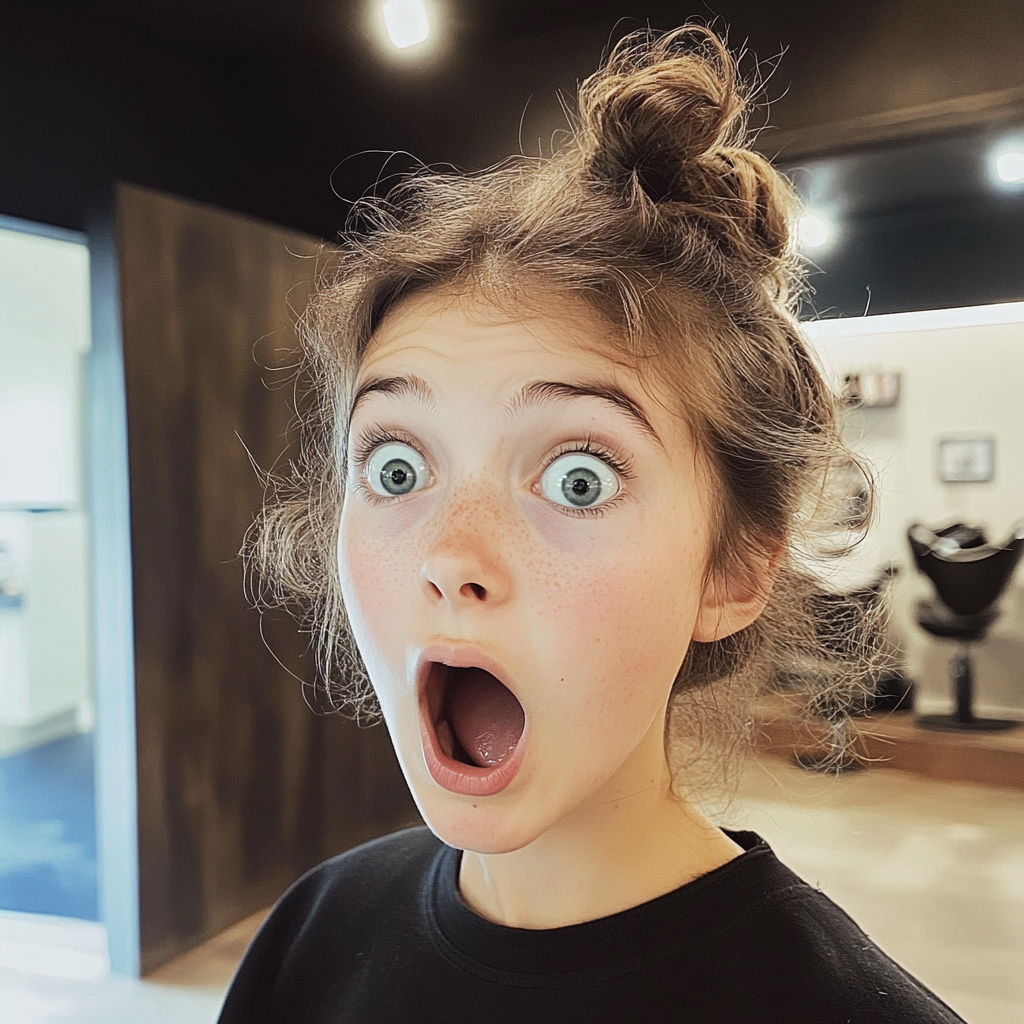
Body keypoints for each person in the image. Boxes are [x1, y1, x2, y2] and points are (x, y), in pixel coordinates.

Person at [218, 24, 965, 1024]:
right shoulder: (312, 937)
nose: (450, 555)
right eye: (396, 466)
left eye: (576, 478)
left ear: (733, 568)